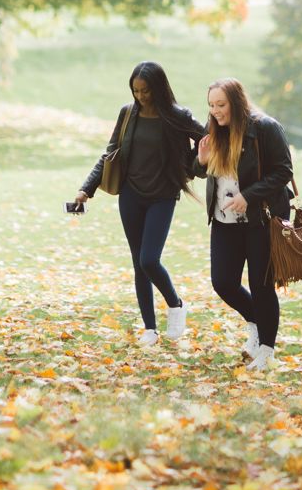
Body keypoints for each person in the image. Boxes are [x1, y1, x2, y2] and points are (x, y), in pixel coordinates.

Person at [72, 62, 204, 347]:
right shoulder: (128, 113)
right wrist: (86, 188)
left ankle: (176, 304)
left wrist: (191, 165)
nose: (141, 96)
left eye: (146, 91)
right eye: (136, 91)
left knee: (149, 259)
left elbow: (207, 139)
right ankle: (150, 329)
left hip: (162, 195)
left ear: (158, 88)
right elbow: (111, 153)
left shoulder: (177, 116)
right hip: (131, 195)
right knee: (138, 263)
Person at [195, 78, 294, 371]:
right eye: (211, 105)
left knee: (261, 285)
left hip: (259, 219)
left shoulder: (264, 127)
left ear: (236, 102)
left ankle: (266, 349)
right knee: (223, 282)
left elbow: (283, 171)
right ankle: (255, 321)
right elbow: (199, 170)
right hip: (224, 220)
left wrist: (248, 197)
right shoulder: (214, 126)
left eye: (221, 105)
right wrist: (201, 161)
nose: (215, 111)